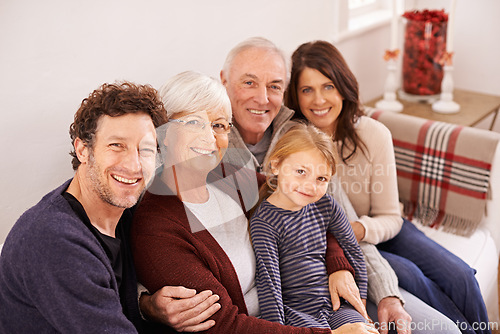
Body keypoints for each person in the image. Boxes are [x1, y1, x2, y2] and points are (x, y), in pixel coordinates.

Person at [221, 36, 462, 334]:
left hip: (355, 268)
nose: (262, 97)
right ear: (224, 80)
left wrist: (373, 297)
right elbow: (271, 292)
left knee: (449, 303)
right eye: (249, 82)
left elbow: (350, 235)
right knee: (412, 278)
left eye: (274, 86)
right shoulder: (209, 145)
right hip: (294, 308)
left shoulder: (304, 137)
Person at [131, 70, 377, 334]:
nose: (210, 138)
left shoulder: (227, 175)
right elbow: (225, 325)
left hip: (309, 305)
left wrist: (336, 265)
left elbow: (309, 204)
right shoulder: (156, 228)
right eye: (193, 123)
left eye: (219, 125)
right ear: (163, 131)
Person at [284, 39, 489, 334]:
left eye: (328, 86)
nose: (318, 99)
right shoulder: (299, 144)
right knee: (409, 274)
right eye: (307, 90)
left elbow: (392, 217)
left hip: (382, 228)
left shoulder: (373, 134)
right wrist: (349, 234)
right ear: (296, 96)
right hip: (344, 245)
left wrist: (359, 228)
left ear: (343, 86)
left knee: (460, 275)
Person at [0, 81, 220, 333]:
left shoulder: (124, 213)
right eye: (117, 145)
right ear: (83, 150)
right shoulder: (53, 241)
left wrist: (146, 307)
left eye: (145, 149)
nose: (133, 165)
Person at [250, 123, 371, 330]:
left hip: (336, 306)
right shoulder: (264, 223)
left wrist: (360, 305)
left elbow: (353, 252)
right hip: (297, 313)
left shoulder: (327, 206)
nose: (310, 186)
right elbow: (270, 287)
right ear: (276, 165)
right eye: (300, 172)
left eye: (321, 178)